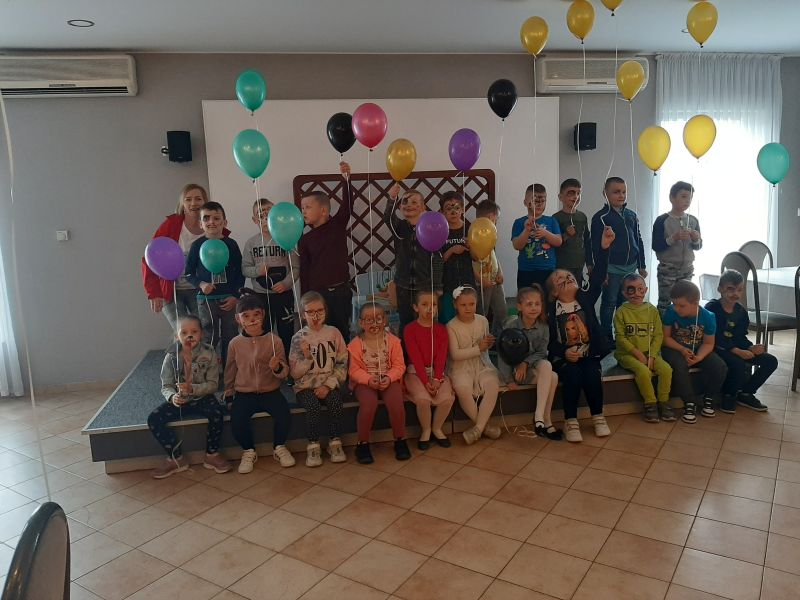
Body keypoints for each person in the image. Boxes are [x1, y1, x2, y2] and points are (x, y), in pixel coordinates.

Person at [546, 224, 616, 442]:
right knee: (572, 376)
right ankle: (571, 420)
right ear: (554, 292)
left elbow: (598, 277)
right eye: (560, 279)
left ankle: (598, 416)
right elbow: (549, 341)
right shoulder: (551, 311)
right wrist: (563, 353)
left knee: (592, 375)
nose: (567, 279)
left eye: (569, 276)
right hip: (564, 358)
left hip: (589, 354)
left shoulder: (585, 299)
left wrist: (604, 248)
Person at [147, 315, 230, 479]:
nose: (189, 336)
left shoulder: (209, 352)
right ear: (176, 335)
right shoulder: (171, 356)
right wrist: (172, 397)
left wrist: (193, 389)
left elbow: (213, 384)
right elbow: (166, 385)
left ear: (201, 334)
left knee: (217, 413)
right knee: (154, 419)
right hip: (180, 400)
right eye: (184, 332)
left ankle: (212, 455)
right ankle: (176, 458)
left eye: (194, 332)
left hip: (203, 397)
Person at [224, 290, 295, 473]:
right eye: (246, 316)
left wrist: (277, 368)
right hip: (244, 393)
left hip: (270, 391)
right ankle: (248, 450)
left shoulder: (274, 341)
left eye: (256, 314)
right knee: (237, 420)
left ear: (263, 315)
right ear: (238, 319)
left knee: (284, 414)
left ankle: (279, 446)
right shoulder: (235, 344)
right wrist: (229, 394)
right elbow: (230, 371)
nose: (252, 319)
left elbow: (285, 372)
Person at [142, 184, 217, 330]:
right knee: (182, 332)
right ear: (182, 204)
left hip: (199, 290)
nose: (193, 203)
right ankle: (176, 347)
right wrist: (154, 292)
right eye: (188, 199)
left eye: (198, 199)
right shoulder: (171, 224)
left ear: (205, 201)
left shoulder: (213, 226)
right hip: (171, 292)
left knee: (203, 331)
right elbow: (150, 256)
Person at [288, 291, 349, 466]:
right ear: (302, 314)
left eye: (319, 311)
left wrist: (328, 385)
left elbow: (342, 363)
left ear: (325, 311)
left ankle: (334, 442)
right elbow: (294, 373)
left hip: (328, 383)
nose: (315, 316)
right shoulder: (298, 338)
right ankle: (313, 445)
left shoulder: (334, 333)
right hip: (305, 387)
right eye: (310, 312)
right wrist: (307, 358)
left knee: (336, 402)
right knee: (312, 407)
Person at [348, 302, 411, 464]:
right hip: (364, 382)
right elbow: (354, 370)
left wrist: (389, 377)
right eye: (369, 320)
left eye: (378, 319)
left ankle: (400, 439)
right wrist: (369, 380)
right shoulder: (355, 345)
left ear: (385, 320)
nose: (374, 323)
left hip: (388, 379)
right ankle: (362, 443)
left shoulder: (393, 341)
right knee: (369, 404)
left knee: (396, 402)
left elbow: (399, 366)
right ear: (361, 323)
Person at [706, 269, 776, 413]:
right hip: (715, 347)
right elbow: (714, 335)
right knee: (737, 362)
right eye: (730, 289)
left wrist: (750, 347)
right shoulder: (712, 308)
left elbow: (740, 336)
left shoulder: (741, 312)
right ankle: (729, 395)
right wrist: (736, 350)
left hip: (735, 347)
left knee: (770, 361)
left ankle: (746, 393)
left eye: (739, 290)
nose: (735, 294)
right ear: (720, 289)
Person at [184, 201, 243, 368]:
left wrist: (235, 296)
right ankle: (207, 371)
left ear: (225, 222)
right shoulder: (197, 246)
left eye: (217, 218)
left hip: (229, 300)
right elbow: (188, 273)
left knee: (230, 335)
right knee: (209, 335)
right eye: (206, 218)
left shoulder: (231, 244)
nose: (212, 222)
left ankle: (229, 371)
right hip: (206, 301)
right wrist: (201, 284)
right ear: (200, 224)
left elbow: (240, 272)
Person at [298, 162, 353, 341]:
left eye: (308, 207)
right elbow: (304, 271)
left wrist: (346, 180)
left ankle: (343, 358)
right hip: (317, 295)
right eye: (302, 208)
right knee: (320, 333)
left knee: (341, 332)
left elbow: (348, 206)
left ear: (323, 210)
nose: (303, 211)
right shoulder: (305, 239)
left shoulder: (337, 225)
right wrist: (304, 300)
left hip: (340, 292)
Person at [498, 286, 561, 439]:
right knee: (552, 377)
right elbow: (502, 355)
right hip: (518, 373)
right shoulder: (511, 326)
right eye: (529, 304)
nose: (534, 308)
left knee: (547, 366)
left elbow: (542, 352)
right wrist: (508, 379)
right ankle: (545, 420)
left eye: (537, 304)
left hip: (535, 367)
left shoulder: (543, 327)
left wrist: (526, 362)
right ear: (519, 307)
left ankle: (540, 417)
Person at [661, 280, 728, 424]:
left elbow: (708, 343)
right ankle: (689, 402)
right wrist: (681, 349)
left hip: (698, 349)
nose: (677, 309)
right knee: (679, 365)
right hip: (674, 348)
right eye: (674, 304)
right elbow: (665, 338)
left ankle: (709, 397)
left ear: (695, 303)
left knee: (720, 366)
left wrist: (700, 357)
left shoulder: (708, 317)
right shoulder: (671, 312)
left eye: (681, 306)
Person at [591, 177, 647, 343]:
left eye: (623, 192)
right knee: (609, 302)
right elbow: (596, 246)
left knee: (625, 303)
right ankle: (606, 336)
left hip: (630, 268)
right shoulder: (600, 217)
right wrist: (602, 271)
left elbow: (638, 240)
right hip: (611, 269)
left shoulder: (631, 215)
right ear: (605, 194)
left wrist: (642, 265)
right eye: (616, 192)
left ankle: (622, 335)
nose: (621, 195)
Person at [242, 197, 299, 355]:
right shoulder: (251, 243)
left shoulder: (286, 239)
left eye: (269, 214)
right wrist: (257, 271)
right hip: (260, 296)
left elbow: (295, 268)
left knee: (286, 332)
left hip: (284, 295)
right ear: (254, 220)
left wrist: (286, 283)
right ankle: (264, 363)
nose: (265, 218)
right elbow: (245, 269)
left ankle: (287, 363)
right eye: (261, 215)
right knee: (262, 332)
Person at [613, 274, 674, 423]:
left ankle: (663, 401)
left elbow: (658, 335)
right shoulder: (621, 312)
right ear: (624, 293)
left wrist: (652, 356)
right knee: (643, 371)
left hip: (650, 353)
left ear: (645, 290)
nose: (636, 293)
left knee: (666, 370)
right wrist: (638, 354)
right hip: (627, 355)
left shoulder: (652, 310)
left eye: (640, 289)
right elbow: (620, 338)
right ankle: (650, 403)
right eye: (631, 290)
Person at [385, 185, 444, 337]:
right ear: (400, 207)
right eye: (405, 202)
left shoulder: (430, 228)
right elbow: (388, 218)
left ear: (423, 207)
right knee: (406, 324)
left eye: (414, 202)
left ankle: (426, 351)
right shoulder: (400, 227)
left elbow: (437, 259)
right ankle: (406, 351)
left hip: (425, 287)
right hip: (403, 286)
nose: (409, 205)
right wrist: (392, 199)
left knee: (427, 323)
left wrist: (437, 286)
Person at [447, 286, 502, 444]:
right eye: (463, 305)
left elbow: (485, 348)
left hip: (482, 364)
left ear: (476, 303)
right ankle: (484, 427)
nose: (468, 308)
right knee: (462, 389)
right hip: (461, 366)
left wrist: (488, 343)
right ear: (455, 305)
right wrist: (479, 348)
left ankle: (477, 429)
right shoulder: (451, 326)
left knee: (492, 385)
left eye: (471, 304)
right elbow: (455, 354)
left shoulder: (483, 320)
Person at [404, 290, 455, 450]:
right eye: (424, 304)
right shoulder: (410, 329)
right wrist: (426, 382)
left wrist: (437, 378)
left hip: (436, 373)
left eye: (433, 305)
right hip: (415, 373)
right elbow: (416, 357)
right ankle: (426, 430)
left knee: (447, 399)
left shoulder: (441, 329)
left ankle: (437, 428)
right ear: (416, 307)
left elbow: (441, 356)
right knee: (423, 400)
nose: (430, 309)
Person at [652, 181, 703, 312]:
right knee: (664, 302)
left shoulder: (693, 220)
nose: (687, 201)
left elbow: (698, 246)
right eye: (684, 196)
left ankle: (680, 325)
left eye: (690, 198)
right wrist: (674, 238)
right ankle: (663, 325)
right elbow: (656, 245)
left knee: (685, 302)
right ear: (672, 198)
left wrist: (696, 239)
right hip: (667, 269)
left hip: (687, 269)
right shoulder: (662, 220)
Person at [512, 184, 563, 289]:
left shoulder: (551, 221)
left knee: (547, 297)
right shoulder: (519, 222)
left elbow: (558, 241)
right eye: (535, 201)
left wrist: (545, 233)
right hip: (526, 270)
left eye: (543, 201)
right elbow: (517, 245)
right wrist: (526, 230)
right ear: (526, 202)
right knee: (526, 296)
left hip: (547, 270)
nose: (539, 204)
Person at [439, 190, 476, 324]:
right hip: (447, 283)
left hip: (467, 281)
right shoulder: (440, 230)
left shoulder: (470, 228)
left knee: (468, 317)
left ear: (462, 210)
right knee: (449, 319)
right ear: (442, 212)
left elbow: (476, 257)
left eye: (457, 208)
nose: (453, 212)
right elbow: (438, 260)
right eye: (449, 208)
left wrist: (471, 246)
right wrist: (452, 250)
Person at [472, 200, 507, 337]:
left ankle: (498, 338)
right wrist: (481, 280)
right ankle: (481, 339)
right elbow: (470, 262)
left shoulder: (490, 233)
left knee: (502, 310)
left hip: (495, 282)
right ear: (490, 217)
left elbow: (493, 256)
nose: (496, 222)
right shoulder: (473, 233)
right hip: (481, 283)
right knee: (482, 312)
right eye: (495, 219)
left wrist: (500, 272)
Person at [553, 178, 593, 284]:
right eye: (571, 193)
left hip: (579, 264)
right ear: (560, 197)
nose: (576, 196)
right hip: (562, 265)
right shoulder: (556, 218)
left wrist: (589, 264)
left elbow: (587, 241)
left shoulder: (582, 217)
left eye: (578, 193)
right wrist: (566, 235)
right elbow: (553, 243)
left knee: (577, 290)